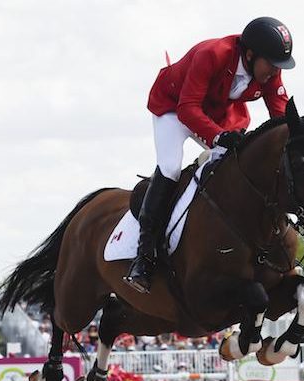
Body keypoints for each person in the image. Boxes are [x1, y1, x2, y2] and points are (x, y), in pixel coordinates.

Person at [125, 17, 294, 294]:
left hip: (219, 113)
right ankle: (143, 258)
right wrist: (217, 137)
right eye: (272, 63)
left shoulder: (268, 70)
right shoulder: (212, 54)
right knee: (170, 167)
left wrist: (299, 137)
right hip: (175, 107)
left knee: (238, 167)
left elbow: (282, 116)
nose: (275, 71)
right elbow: (188, 109)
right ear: (250, 55)